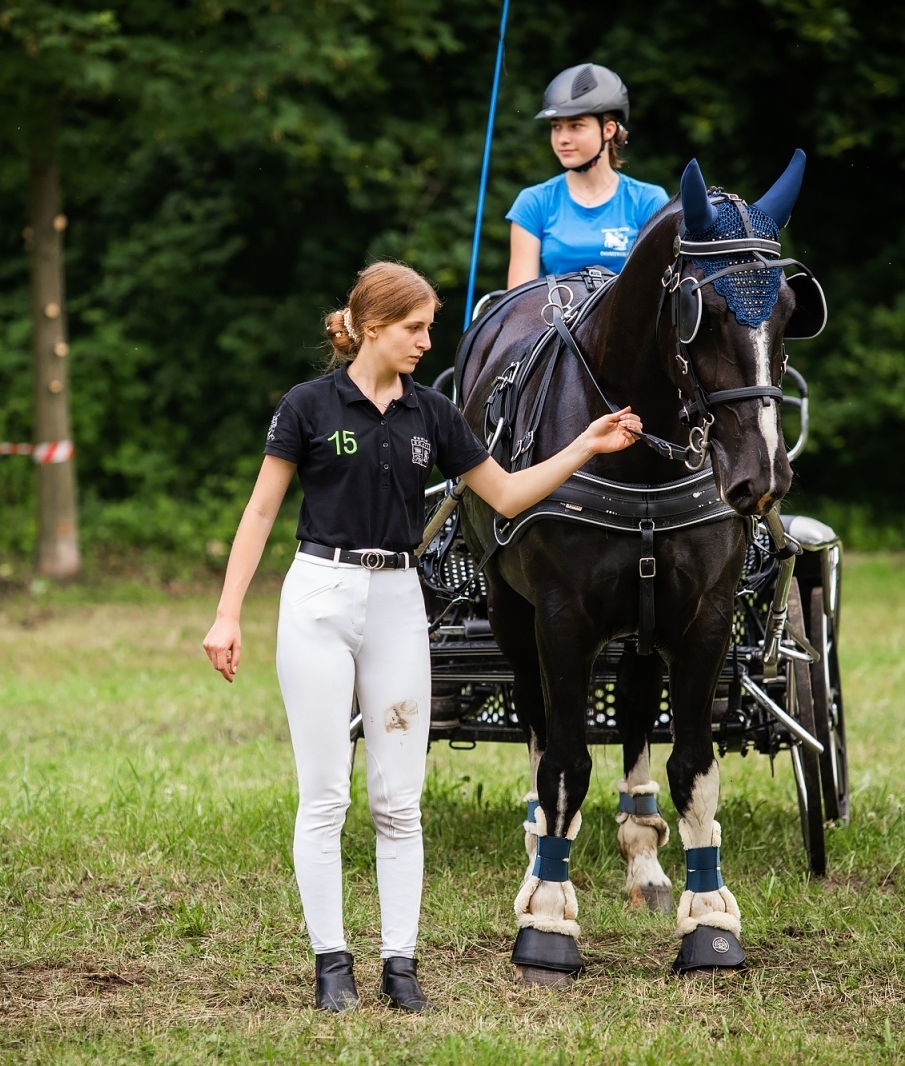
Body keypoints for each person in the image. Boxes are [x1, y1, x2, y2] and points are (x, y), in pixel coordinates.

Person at [201, 261, 642, 1013]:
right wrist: (227, 612)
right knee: (325, 800)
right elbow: (261, 511)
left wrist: (583, 450)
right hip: (319, 597)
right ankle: (331, 966)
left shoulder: (431, 413)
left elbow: (502, 492)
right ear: (371, 327)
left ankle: (399, 967)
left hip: (398, 600)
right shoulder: (306, 406)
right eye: (415, 328)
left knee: (399, 802)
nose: (426, 341)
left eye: (430, 327)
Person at [506, 63, 671, 289]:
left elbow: (659, 290)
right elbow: (519, 301)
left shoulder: (649, 201)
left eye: (575, 125)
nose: (562, 138)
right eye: (556, 127)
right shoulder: (533, 202)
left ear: (608, 130)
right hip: (552, 321)